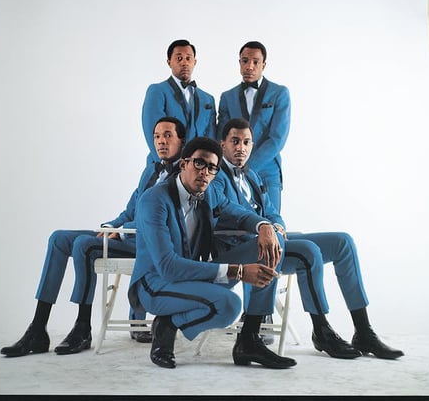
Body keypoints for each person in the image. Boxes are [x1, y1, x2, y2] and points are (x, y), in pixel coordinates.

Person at [210, 118, 404, 360]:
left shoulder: (253, 176)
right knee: (308, 251)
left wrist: (276, 226)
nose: (241, 148)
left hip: (272, 240)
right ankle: (320, 330)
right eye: (235, 141)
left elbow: (272, 211)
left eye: (246, 142)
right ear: (223, 144)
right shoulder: (215, 175)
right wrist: (263, 226)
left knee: (343, 242)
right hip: (243, 245)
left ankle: (363, 330)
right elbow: (227, 209)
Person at [0, 117, 187, 357]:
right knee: (58, 238)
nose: (161, 141)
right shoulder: (150, 170)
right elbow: (131, 209)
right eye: (157, 136)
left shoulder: (183, 176)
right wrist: (112, 225)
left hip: (148, 245)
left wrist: (120, 232)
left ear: (181, 141)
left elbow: (161, 218)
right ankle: (38, 327)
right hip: (127, 234)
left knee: (84, 245)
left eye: (168, 135)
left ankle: (82, 327)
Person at [128, 137, 296, 369]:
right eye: (199, 163)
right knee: (229, 306)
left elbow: (239, 213)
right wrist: (237, 272)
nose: (205, 172)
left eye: (212, 167)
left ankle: (250, 338)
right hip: (156, 284)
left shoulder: (208, 194)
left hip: (190, 276)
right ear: (183, 163)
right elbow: (168, 267)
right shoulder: (154, 200)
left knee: (271, 242)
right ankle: (167, 324)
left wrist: (264, 226)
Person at [217, 41, 290, 213]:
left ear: (263, 64)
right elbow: (223, 136)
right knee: (239, 224)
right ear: (239, 63)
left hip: (267, 170)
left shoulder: (279, 93)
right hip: (232, 170)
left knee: (272, 226)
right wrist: (233, 168)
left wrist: (247, 166)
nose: (250, 66)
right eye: (245, 61)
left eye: (255, 62)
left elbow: (277, 138)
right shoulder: (227, 97)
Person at [141, 39, 217, 165]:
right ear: (169, 62)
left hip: (197, 169)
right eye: (179, 58)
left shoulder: (208, 99)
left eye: (188, 58)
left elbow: (211, 139)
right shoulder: (157, 91)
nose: (184, 63)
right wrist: (168, 165)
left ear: (195, 62)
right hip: (164, 167)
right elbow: (153, 133)